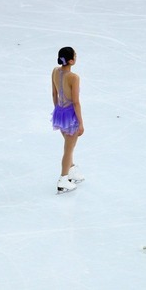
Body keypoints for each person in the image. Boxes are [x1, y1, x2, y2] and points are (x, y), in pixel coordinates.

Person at [51, 47, 85, 192]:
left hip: (59, 112)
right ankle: (63, 179)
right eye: (75, 55)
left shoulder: (54, 71)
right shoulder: (74, 77)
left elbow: (54, 93)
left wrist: (58, 111)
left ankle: (71, 170)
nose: (76, 57)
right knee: (68, 148)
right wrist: (81, 123)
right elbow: (76, 102)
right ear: (71, 60)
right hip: (70, 116)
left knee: (68, 145)